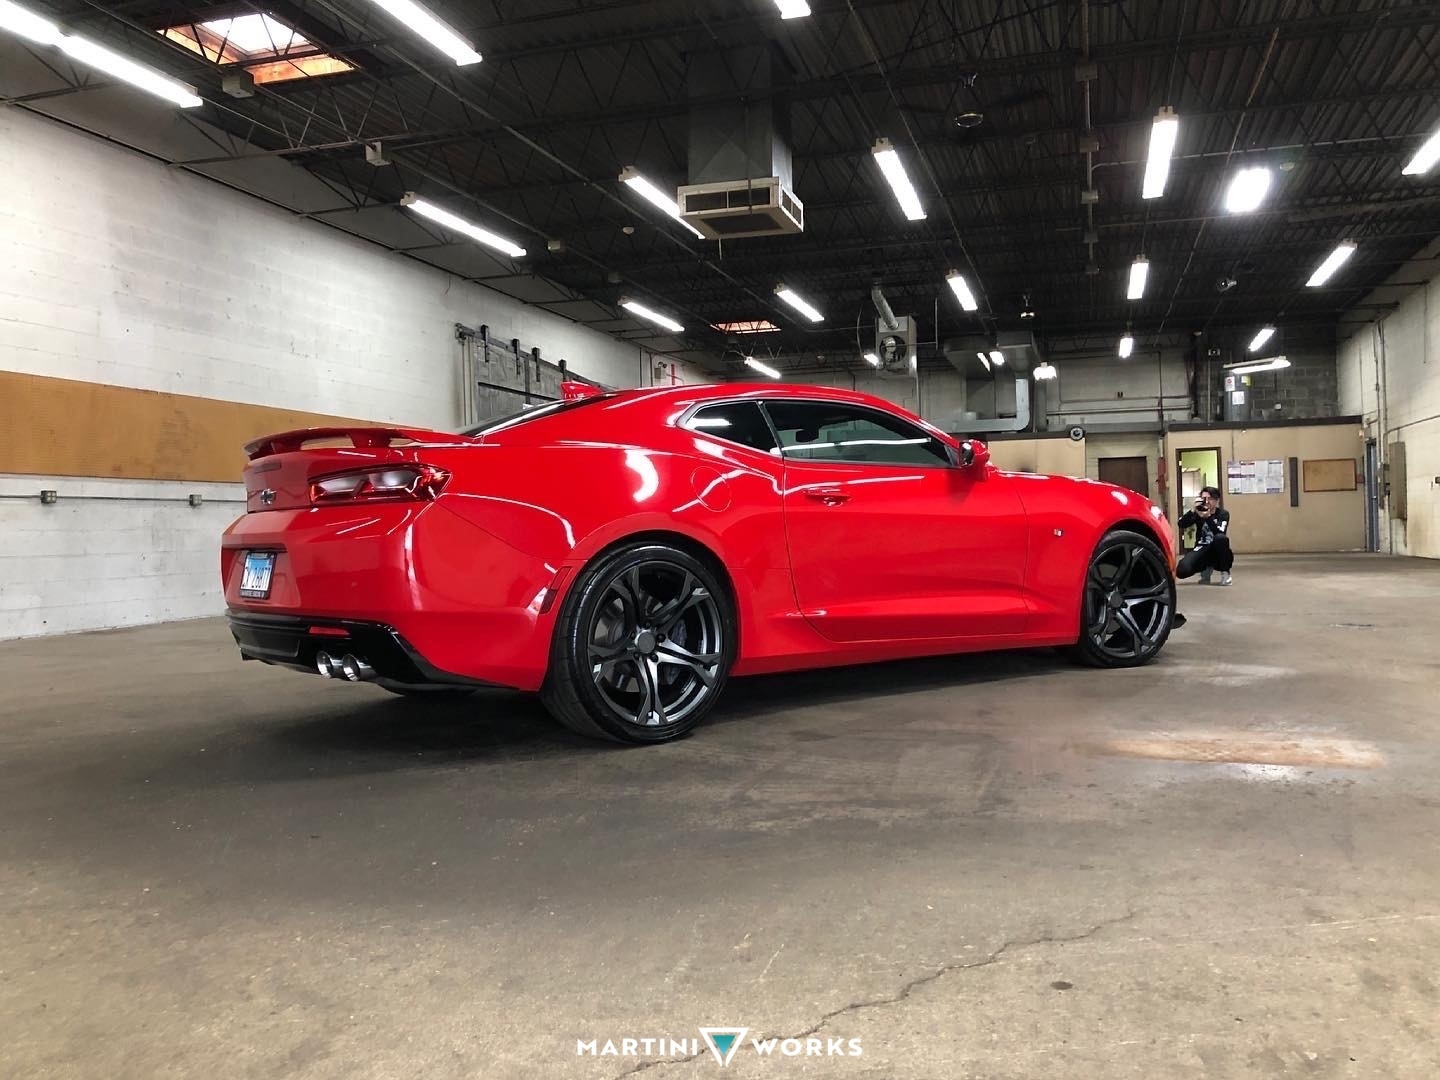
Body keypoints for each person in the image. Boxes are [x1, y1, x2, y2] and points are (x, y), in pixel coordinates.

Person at [1176, 486, 1233, 585]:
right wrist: (1193, 510)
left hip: (1217, 550)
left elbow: (1220, 533)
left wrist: (1208, 518)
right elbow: (1181, 524)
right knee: (1181, 570)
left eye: (1210, 499)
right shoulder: (1198, 513)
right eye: (1203, 498)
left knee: (1221, 539)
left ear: (1216, 500)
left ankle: (1225, 574)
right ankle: (1206, 568)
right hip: (1201, 548)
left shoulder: (1223, 514)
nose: (1206, 502)